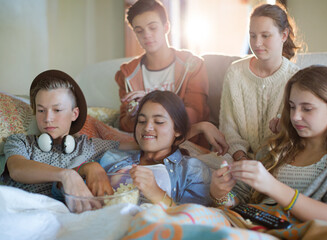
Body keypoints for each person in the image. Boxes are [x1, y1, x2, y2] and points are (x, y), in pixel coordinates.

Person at [1, 70, 225, 199]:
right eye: (41, 111)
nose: (48, 118)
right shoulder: (21, 141)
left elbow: (146, 140)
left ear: (74, 113)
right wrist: (66, 174)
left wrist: (197, 128)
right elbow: (18, 168)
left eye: (57, 110)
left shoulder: (89, 146)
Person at [210, 66, 327, 225]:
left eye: (307, 109)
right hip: (249, 227)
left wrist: (273, 186)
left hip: (296, 233)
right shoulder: (276, 147)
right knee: (189, 213)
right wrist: (221, 194)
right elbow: (238, 203)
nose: (295, 117)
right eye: (292, 106)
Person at [83, 90, 212, 206]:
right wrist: (89, 168)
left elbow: (195, 219)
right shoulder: (111, 158)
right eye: (142, 121)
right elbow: (69, 176)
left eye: (159, 122)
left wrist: (157, 193)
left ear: (177, 129)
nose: (147, 127)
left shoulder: (192, 170)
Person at [115, 0, 210, 142]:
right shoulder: (127, 73)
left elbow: (195, 116)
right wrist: (133, 114)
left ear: (166, 27)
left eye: (152, 28)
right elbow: (125, 125)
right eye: (139, 31)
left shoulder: (192, 65)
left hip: (185, 145)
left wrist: (149, 102)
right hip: (144, 147)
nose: (146, 35)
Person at [219, 3, 300, 161]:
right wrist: (241, 157)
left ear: (284, 35)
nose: (256, 43)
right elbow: (228, 128)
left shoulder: (297, 77)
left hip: (279, 160)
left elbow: (297, 135)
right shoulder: (235, 72)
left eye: (265, 35)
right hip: (237, 158)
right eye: (252, 35)